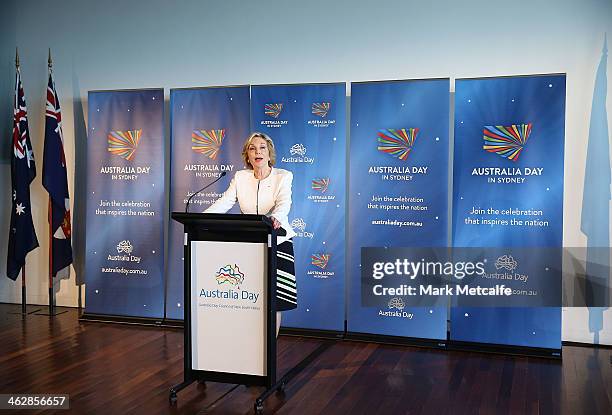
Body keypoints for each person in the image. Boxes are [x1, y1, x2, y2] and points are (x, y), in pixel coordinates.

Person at [205, 132, 297, 335]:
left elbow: (284, 202)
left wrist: (277, 218)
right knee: (249, 296)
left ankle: (269, 349)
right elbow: (225, 202)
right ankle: (250, 343)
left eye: (262, 147)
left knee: (274, 299)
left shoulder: (283, 176)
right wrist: (202, 218)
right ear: (247, 154)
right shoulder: (241, 177)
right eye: (252, 148)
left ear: (269, 152)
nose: (258, 152)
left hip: (277, 242)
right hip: (250, 244)